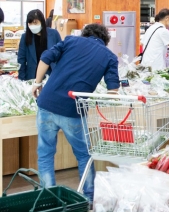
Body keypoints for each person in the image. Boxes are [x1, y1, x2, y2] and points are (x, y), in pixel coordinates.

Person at [31, 24, 121, 202]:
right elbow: (113, 90)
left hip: (46, 103)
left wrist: (37, 82)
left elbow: (46, 57)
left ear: (85, 34)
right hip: (72, 110)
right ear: (105, 40)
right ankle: (87, 198)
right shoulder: (109, 57)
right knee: (84, 155)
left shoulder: (71, 41)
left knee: (45, 153)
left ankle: (49, 199)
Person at [17, 9, 62, 81]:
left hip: (51, 74)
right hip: (32, 75)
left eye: (35, 23)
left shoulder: (53, 34)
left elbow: (61, 54)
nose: (32, 26)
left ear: (42, 22)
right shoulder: (25, 37)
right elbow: (21, 59)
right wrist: (21, 79)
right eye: (30, 23)